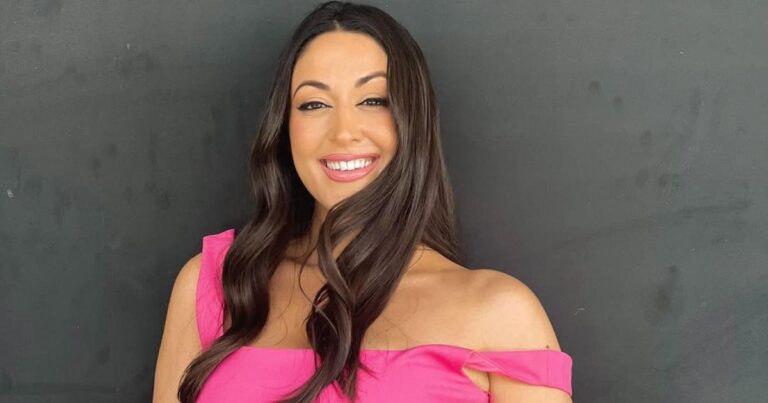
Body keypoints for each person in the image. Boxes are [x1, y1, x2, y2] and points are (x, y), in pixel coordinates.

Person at [153, 1, 573, 402]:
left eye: (373, 100)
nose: (343, 131)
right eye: (314, 104)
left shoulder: (500, 313)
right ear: (284, 127)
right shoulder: (214, 284)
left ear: (413, 120)